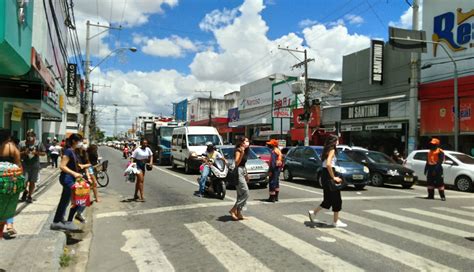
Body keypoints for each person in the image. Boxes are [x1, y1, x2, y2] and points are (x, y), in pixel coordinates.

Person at [308, 134, 347, 228]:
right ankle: (335, 221)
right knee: (337, 199)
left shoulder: (326, 150)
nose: (338, 142)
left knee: (328, 199)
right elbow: (329, 164)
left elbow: (326, 164)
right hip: (329, 174)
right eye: (337, 140)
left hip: (325, 174)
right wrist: (334, 177)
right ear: (333, 142)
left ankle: (313, 212)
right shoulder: (332, 150)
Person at [50, 134, 83, 231]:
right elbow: (62, 166)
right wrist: (74, 174)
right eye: (79, 141)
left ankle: (57, 221)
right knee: (77, 199)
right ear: (74, 141)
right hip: (67, 178)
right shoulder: (68, 151)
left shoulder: (73, 151)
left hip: (70, 178)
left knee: (65, 201)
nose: (81, 143)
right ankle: (68, 221)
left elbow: (75, 165)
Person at [0, 129, 22, 239]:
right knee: (8, 203)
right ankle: (8, 225)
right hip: (8, 180)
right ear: (8, 137)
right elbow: (18, 163)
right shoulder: (11, 147)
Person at [19, 129, 46, 203]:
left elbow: (44, 153)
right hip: (25, 164)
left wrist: (36, 153)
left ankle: (30, 195)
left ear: (34, 136)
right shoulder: (22, 143)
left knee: (32, 181)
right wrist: (24, 152)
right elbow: (17, 153)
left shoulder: (39, 143)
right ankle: (25, 191)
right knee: (24, 181)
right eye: (28, 136)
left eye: (31, 136)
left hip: (35, 165)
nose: (29, 138)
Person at [229, 136, 250, 221]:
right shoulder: (239, 150)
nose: (247, 143)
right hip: (237, 172)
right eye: (246, 141)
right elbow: (237, 163)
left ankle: (239, 213)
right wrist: (241, 154)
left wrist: (246, 174)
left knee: (240, 194)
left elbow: (243, 165)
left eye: (248, 141)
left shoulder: (245, 150)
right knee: (246, 192)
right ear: (241, 142)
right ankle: (233, 210)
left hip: (242, 171)